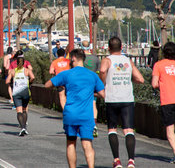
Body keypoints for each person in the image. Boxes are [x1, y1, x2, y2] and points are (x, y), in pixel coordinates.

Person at [45, 49, 105, 168]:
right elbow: (103, 94)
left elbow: (47, 85)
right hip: (86, 116)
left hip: (71, 114)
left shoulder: (66, 74)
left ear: (73, 59)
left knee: (71, 143)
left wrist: (61, 84)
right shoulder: (92, 75)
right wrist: (91, 93)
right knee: (87, 144)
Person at [99, 36, 144, 168]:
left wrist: (102, 83)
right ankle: (131, 161)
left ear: (108, 48)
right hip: (127, 99)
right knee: (128, 130)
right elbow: (140, 79)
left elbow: (102, 71)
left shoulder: (107, 60)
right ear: (121, 47)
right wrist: (130, 80)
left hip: (112, 98)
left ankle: (117, 160)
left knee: (112, 129)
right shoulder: (128, 61)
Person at [6, 55, 35, 136]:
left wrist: (12, 81)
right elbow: (33, 77)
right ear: (24, 62)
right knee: (25, 110)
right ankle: (25, 128)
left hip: (16, 93)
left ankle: (22, 127)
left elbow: (7, 81)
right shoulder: (27, 70)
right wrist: (29, 82)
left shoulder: (13, 71)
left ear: (16, 62)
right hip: (26, 92)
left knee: (19, 111)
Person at [81, 40, 100, 138]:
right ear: (90, 47)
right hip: (92, 83)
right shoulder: (96, 58)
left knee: (82, 104)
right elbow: (99, 71)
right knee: (93, 103)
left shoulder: (80, 59)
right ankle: (94, 124)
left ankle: (83, 125)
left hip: (82, 83)